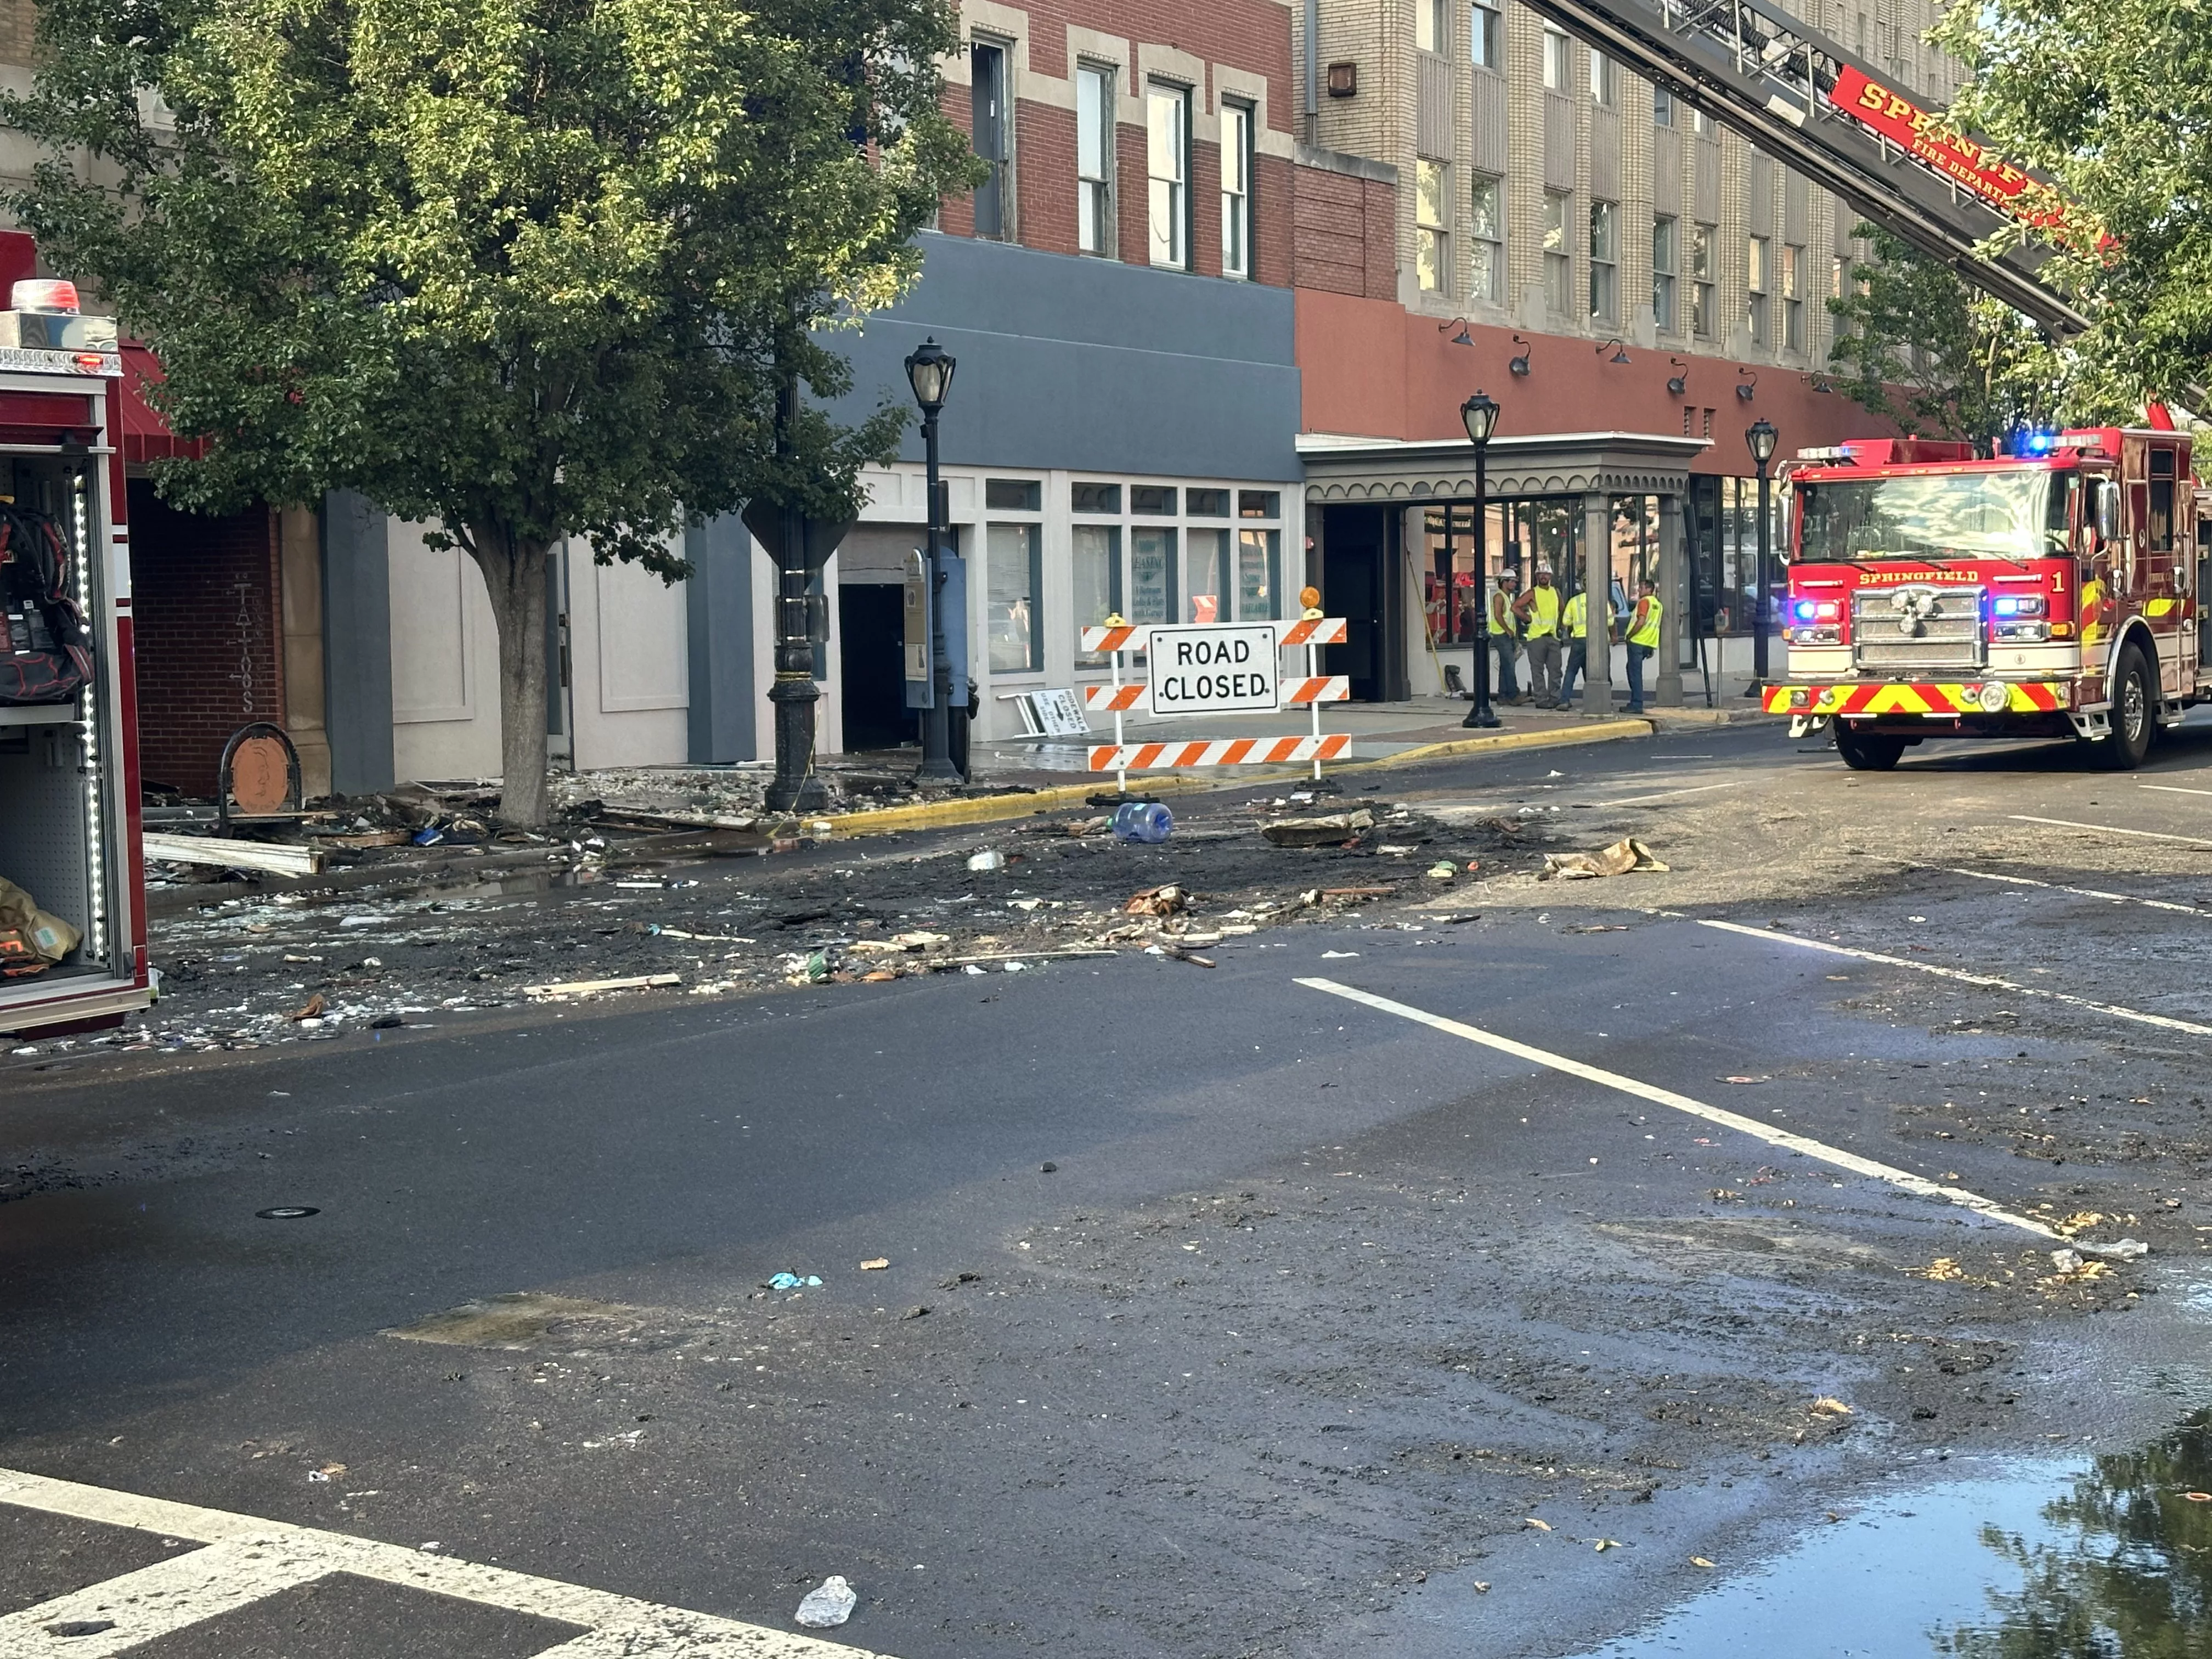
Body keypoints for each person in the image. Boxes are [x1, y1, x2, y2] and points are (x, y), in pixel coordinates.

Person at [1515, 565, 1563, 708]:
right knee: (1538, 671)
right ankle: (1541, 700)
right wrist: (1528, 618)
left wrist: (1560, 627)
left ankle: (1555, 698)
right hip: (1536, 637)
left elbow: (1562, 610)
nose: (1544, 576)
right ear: (1536, 577)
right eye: (1541, 574)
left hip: (1553, 636)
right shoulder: (1532, 593)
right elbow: (1515, 607)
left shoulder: (1556, 592)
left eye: (1546, 574)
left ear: (1551, 576)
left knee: (1555, 670)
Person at [1625, 579, 1663, 714]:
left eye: (1641, 588)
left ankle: (1636, 703)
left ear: (1649, 590)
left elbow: (1641, 621)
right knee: (1632, 669)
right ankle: (1635, 701)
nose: (1639, 590)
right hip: (1649, 643)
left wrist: (1630, 635)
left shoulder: (1644, 602)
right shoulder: (1658, 605)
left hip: (1637, 642)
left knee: (1635, 673)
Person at [1488, 570, 1523, 703]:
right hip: (1501, 635)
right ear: (1504, 582)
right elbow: (1498, 615)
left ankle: (1503, 696)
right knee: (1509, 664)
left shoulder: (1505, 597)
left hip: (1505, 635)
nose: (1515, 584)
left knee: (1505, 665)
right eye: (1512, 581)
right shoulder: (1499, 597)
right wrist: (1508, 630)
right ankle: (1514, 695)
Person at [1558, 584, 1589, 709]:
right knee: (1594, 672)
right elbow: (1610, 621)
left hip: (1579, 640)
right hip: (1596, 641)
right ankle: (1596, 699)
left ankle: (1564, 700)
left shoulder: (1574, 601)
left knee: (1571, 671)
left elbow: (1565, 622)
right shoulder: (1602, 600)